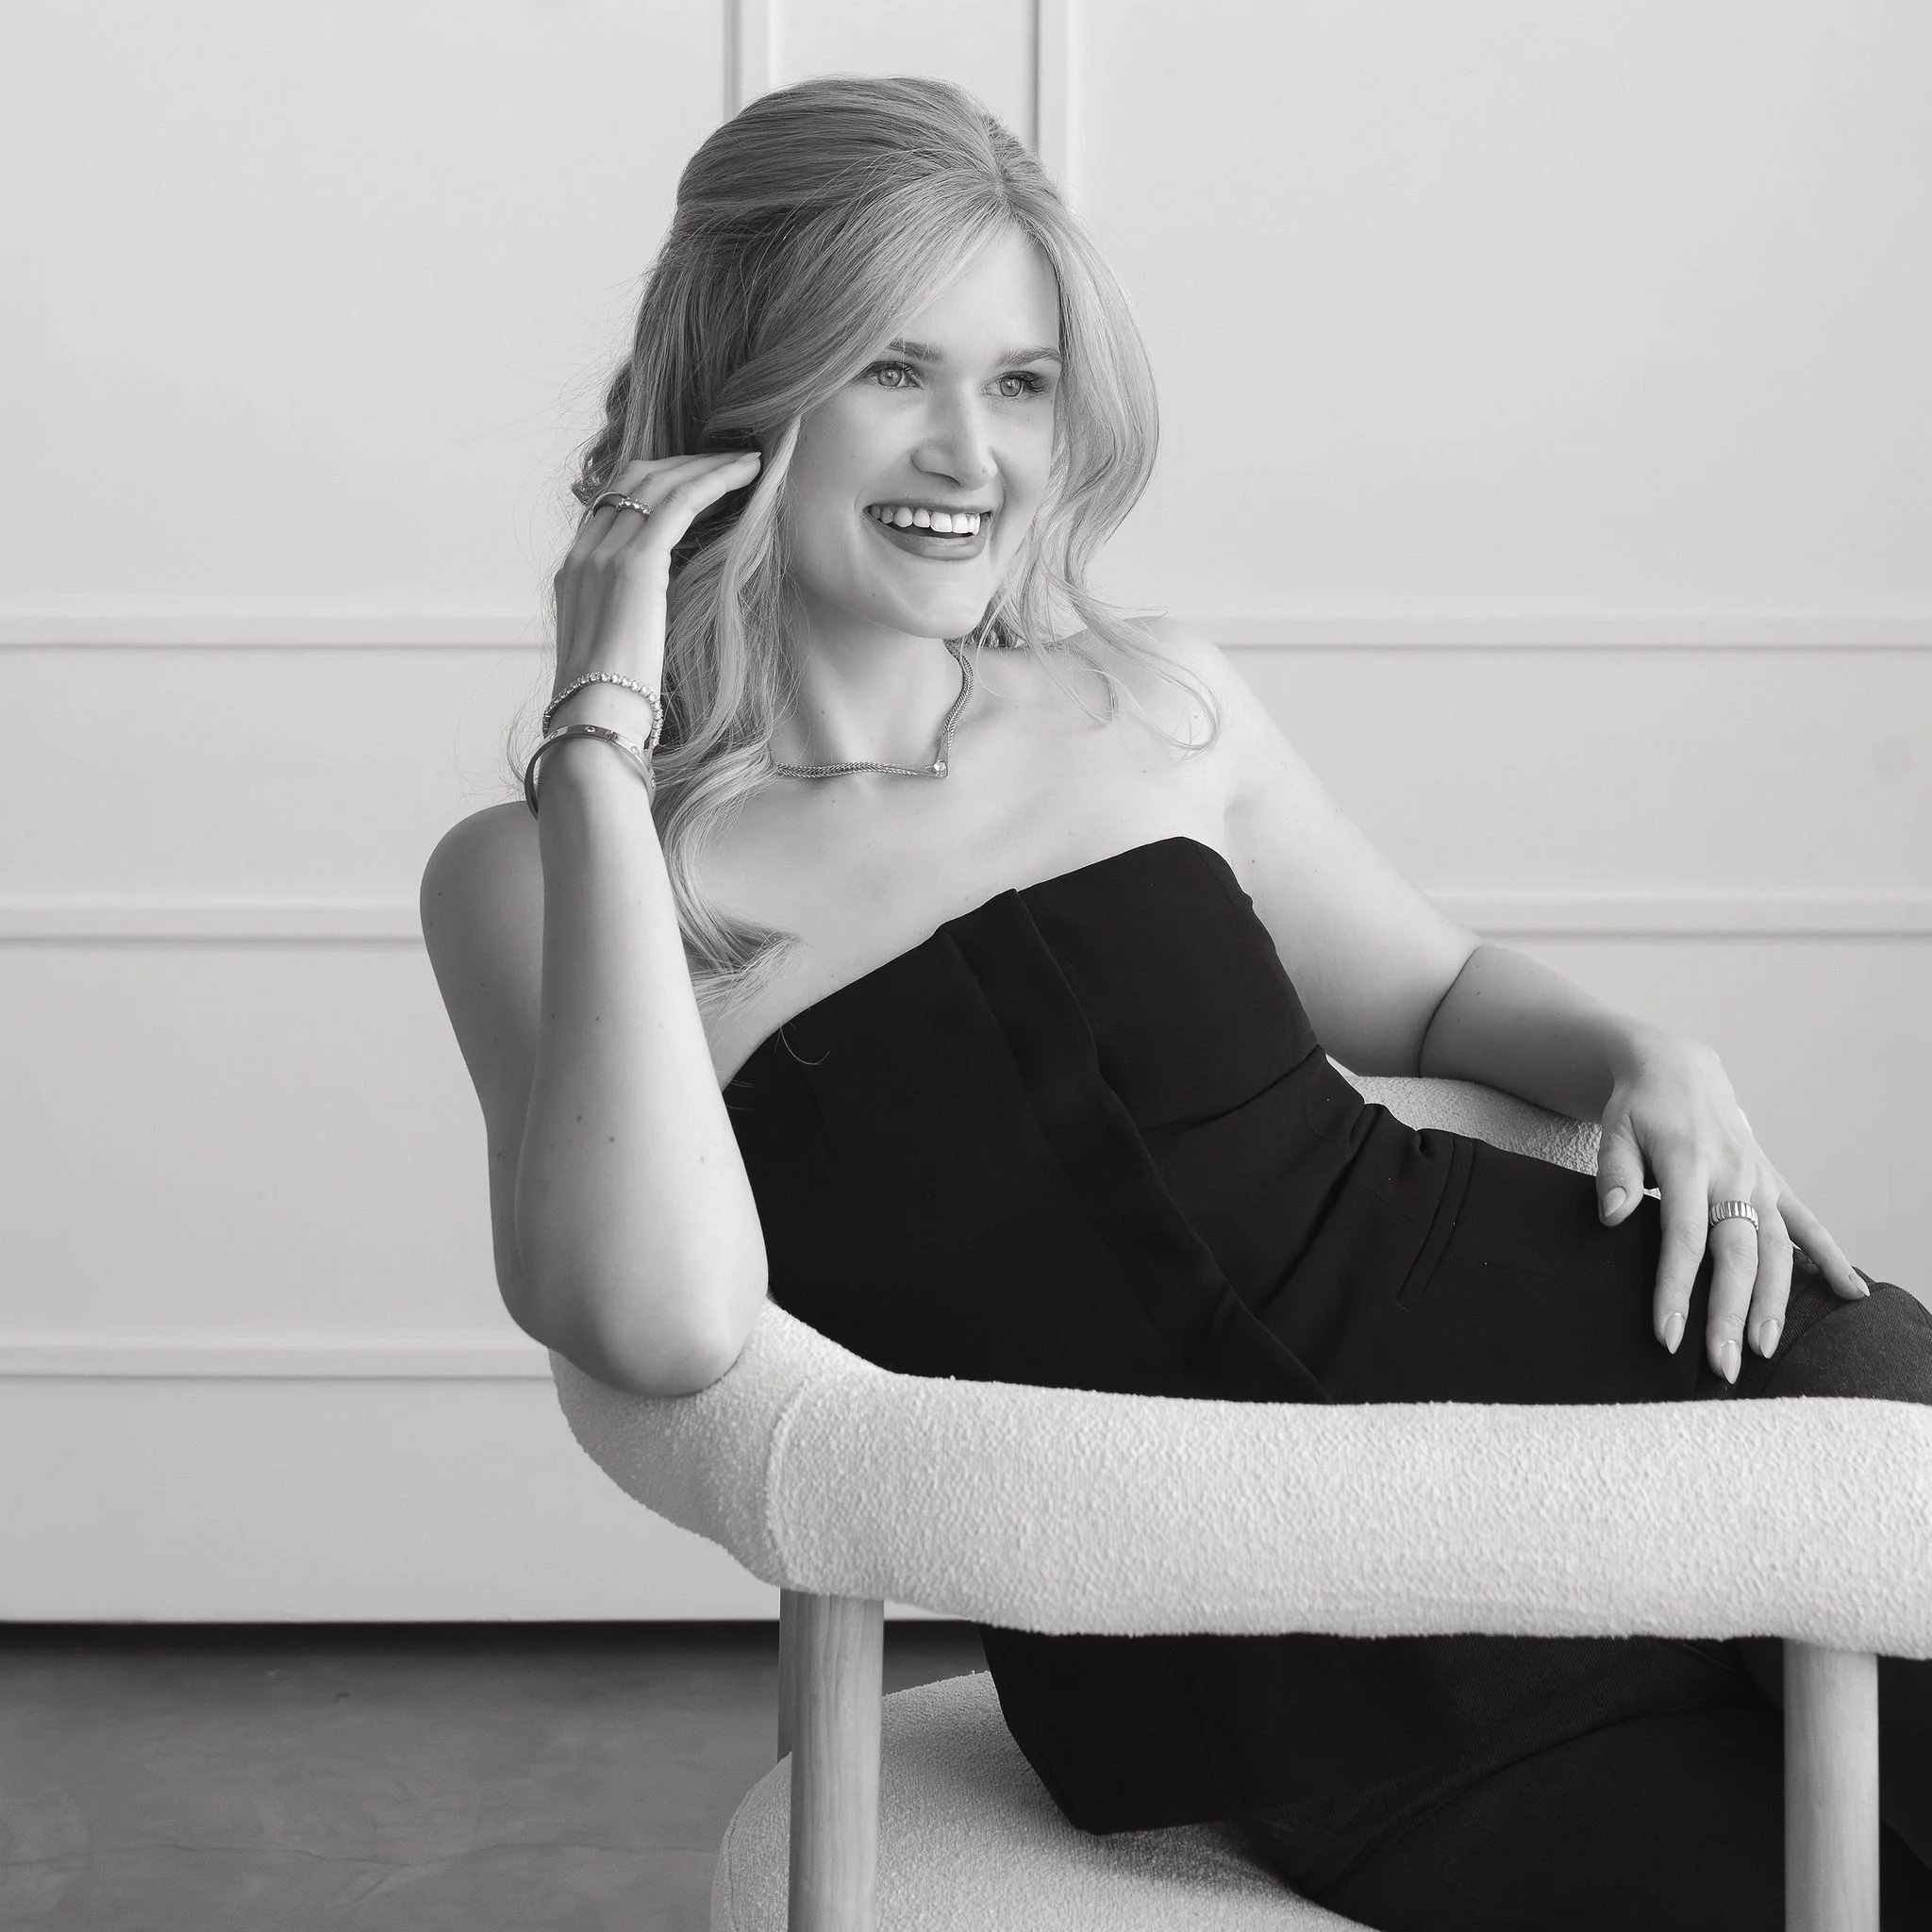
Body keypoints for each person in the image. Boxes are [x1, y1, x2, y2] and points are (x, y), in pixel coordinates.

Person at [418, 72, 1932, 1930]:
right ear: (740, 397)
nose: (972, 453)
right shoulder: (545, 877)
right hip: (1268, 1678)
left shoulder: (1148, 701)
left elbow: (1436, 988)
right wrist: (599, 742)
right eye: (894, 372)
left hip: (1685, 1389)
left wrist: (1643, 1056)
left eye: (1021, 382)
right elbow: (651, 1321)